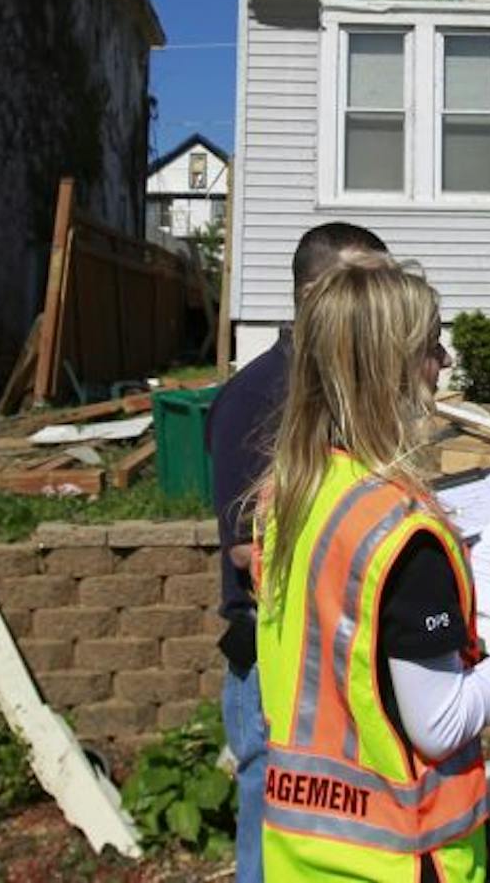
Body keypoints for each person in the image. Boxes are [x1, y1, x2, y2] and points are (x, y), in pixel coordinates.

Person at [253, 257, 490, 882]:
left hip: (301, 851)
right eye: (432, 345)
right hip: (398, 859)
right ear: (392, 366)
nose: (444, 362)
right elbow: (439, 726)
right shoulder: (402, 532)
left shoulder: (292, 492)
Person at [208, 222, 390, 882]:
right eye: (366, 283)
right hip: (274, 661)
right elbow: (244, 549)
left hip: (330, 650)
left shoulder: (340, 391)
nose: (381, 299)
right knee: (273, 835)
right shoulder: (258, 397)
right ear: (314, 294)